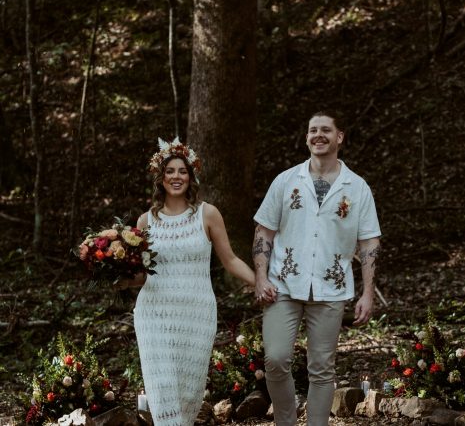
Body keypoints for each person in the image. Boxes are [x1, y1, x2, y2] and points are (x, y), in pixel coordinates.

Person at [252, 111, 381, 426]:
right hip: (282, 285)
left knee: (322, 367)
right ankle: (286, 421)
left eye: (326, 130)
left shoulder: (358, 187)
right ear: (307, 137)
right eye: (313, 130)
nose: (318, 135)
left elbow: (369, 242)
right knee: (276, 359)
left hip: (331, 287)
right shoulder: (286, 180)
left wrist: (367, 292)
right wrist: (260, 277)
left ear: (339, 137)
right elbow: (263, 231)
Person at [126, 137, 255, 426]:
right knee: (163, 393)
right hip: (154, 315)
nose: (176, 177)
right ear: (160, 177)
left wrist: (260, 282)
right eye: (170, 171)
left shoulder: (207, 214)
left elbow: (231, 260)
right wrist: (118, 278)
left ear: (191, 175)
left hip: (196, 315)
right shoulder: (146, 221)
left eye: (182, 171)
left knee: (188, 393)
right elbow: (140, 274)